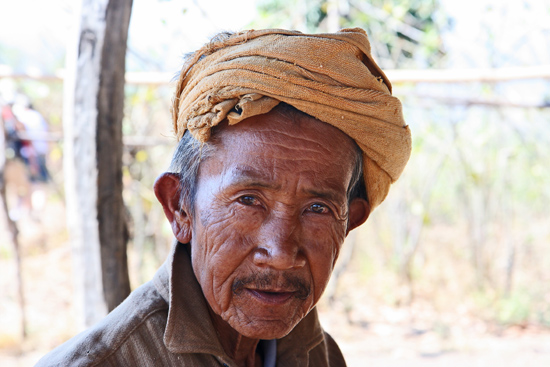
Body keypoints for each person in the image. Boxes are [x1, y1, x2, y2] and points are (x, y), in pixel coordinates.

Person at [36, 28, 411, 367]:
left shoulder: (318, 354)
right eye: (248, 200)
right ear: (180, 207)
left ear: (350, 221)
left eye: (317, 209)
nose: (281, 254)